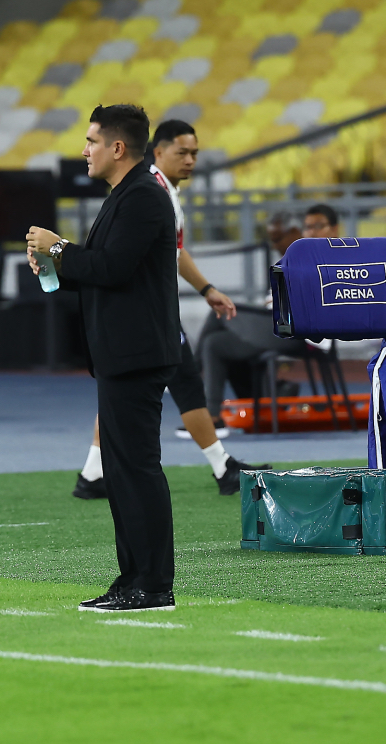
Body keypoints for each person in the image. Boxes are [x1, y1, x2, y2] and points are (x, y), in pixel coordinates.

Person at [27, 104, 180, 613]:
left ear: (117, 147)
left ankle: (153, 585)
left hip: (137, 354)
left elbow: (113, 268)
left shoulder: (143, 197)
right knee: (120, 472)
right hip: (122, 354)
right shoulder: (125, 195)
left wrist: (59, 248)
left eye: (92, 141)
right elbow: (105, 271)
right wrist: (55, 264)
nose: (84, 150)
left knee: (136, 469)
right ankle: (133, 578)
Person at [73, 120, 268, 501]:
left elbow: (174, 253)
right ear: (158, 152)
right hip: (151, 317)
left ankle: (94, 471)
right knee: (183, 385)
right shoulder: (154, 193)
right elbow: (139, 260)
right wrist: (206, 288)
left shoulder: (157, 191)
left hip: (148, 315)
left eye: (195, 153)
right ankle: (221, 467)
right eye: (183, 152)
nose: (191, 160)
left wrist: (207, 289)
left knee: (126, 390)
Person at [196, 211, 306, 424]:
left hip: (292, 331)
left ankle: (189, 376)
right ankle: (214, 413)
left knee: (219, 311)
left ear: (294, 232)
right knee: (215, 343)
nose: (274, 245)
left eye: (277, 239)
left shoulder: (309, 259)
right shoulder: (285, 262)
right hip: (272, 325)